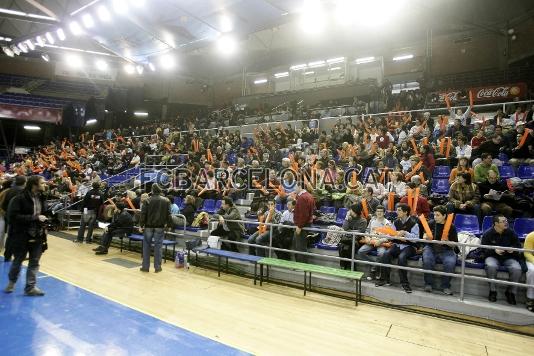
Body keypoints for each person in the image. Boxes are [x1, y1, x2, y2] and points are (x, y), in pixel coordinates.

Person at [3, 176, 48, 296]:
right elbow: (12, 217)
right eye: (42, 183)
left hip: (38, 235)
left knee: (34, 262)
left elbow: (43, 214)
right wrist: (35, 218)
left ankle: (30, 287)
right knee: (18, 261)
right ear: (34, 184)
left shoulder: (42, 197)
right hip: (21, 235)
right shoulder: (19, 198)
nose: (45, 184)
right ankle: (11, 283)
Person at [376, 203, 419, 293]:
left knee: (402, 257)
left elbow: (415, 239)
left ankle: (405, 284)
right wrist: (383, 239)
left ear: (405, 212)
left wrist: (405, 233)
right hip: (397, 245)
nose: (397, 212)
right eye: (397, 210)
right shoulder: (396, 222)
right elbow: (390, 234)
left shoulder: (414, 223)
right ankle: (384, 279)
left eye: (399, 210)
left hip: (409, 246)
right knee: (386, 254)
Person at [481, 215, 522, 304]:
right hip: (493, 256)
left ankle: (510, 292)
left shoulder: (511, 232)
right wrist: (494, 250)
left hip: (508, 257)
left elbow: (518, 246)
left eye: (506, 220)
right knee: (491, 266)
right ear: (496, 223)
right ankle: (493, 291)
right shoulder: (487, 234)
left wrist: (512, 249)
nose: (506, 222)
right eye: (503, 221)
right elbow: (483, 249)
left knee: (517, 269)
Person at [421, 206, 458, 295]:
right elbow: (423, 236)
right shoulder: (430, 223)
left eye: (438, 215)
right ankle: (428, 284)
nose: (435, 217)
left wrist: (447, 242)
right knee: (427, 260)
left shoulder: (451, 226)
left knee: (450, 263)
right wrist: (426, 237)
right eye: (434, 215)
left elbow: (455, 244)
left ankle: (445, 286)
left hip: (446, 249)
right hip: (431, 247)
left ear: (444, 216)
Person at [139, 184, 171, 273]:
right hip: (160, 227)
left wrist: (141, 225)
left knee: (146, 247)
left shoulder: (147, 200)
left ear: (152, 191)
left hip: (148, 227)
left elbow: (143, 214)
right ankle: (158, 267)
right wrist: (169, 225)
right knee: (158, 247)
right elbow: (169, 215)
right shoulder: (166, 200)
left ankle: (145, 267)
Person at [357, 206, 393, 279]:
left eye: (381, 211)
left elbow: (389, 236)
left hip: (381, 243)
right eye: (378, 211)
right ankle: (375, 265)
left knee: (382, 253)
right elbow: (367, 230)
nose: (379, 213)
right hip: (371, 242)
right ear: (376, 212)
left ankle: (373, 270)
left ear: (384, 213)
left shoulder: (387, 223)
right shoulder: (372, 221)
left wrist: (380, 241)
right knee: (360, 252)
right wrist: (367, 237)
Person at [1, 175, 26, 261]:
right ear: (24, 182)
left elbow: (3, 205)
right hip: (20, 219)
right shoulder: (24, 192)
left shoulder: (9, 191)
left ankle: (7, 255)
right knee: (20, 238)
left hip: (9, 217)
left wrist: (7, 214)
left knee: (10, 236)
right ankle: (18, 256)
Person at [293, 184, 315, 263]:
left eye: (295, 186)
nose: (294, 188)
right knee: (300, 246)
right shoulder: (309, 195)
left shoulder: (302, 198)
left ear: (299, 187)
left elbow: (304, 214)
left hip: (302, 226)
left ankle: (301, 266)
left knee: (300, 247)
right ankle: (301, 265)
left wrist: (299, 226)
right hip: (306, 224)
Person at [524, 231, 534, 312]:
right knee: (532, 271)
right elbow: (527, 253)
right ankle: (530, 298)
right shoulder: (531, 236)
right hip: (531, 260)